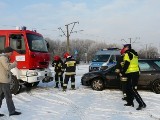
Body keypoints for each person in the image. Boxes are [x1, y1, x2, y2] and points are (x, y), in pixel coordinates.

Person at [121, 44, 146, 110]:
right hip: (134, 73)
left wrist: (122, 72)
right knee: (128, 88)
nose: (123, 48)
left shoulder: (128, 54)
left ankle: (142, 104)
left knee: (132, 89)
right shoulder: (134, 54)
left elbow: (127, 64)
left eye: (124, 47)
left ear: (127, 47)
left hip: (132, 73)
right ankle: (130, 102)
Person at [0, 47, 21, 116]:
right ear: (8, 52)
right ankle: (12, 111)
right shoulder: (3, 58)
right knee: (8, 96)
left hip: (2, 79)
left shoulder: (3, 57)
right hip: (4, 80)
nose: (12, 53)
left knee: (1, 96)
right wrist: (14, 64)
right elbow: (8, 67)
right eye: (11, 52)